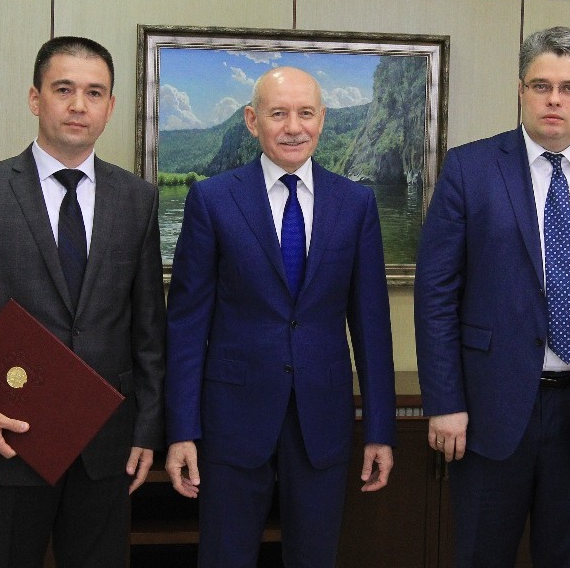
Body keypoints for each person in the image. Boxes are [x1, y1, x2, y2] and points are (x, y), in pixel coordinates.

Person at [0, 36, 166, 568]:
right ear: (35, 98)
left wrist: (147, 430)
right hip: (6, 442)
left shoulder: (138, 200)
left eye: (94, 93)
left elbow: (149, 331)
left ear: (110, 106)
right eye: (64, 89)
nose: (79, 105)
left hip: (105, 450)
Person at [414, 26, 570, 568]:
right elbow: (435, 297)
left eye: (569, 88)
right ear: (521, 90)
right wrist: (445, 402)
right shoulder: (468, 170)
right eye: (541, 86)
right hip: (487, 409)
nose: (555, 99)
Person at [164, 65, 397, 568]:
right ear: (253, 121)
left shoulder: (356, 203)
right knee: (224, 557)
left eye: (305, 113)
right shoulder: (213, 199)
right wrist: (181, 429)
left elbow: (372, 327)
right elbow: (186, 326)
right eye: (278, 114)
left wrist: (380, 429)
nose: (294, 127)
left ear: (322, 119)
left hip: (323, 418)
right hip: (231, 419)